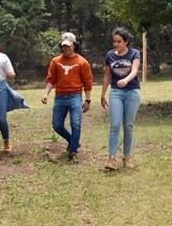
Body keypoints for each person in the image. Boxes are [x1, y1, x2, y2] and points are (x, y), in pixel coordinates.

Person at [41, 32, 93, 162]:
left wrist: (87, 100)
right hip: (60, 96)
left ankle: (73, 151)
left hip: (75, 95)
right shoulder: (56, 61)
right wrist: (46, 94)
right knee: (57, 125)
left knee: (76, 123)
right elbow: (51, 79)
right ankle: (72, 141)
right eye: (64, 46)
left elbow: (87, 82)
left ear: (74, 45)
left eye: (68, 46)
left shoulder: (82, 62)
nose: (66, 49)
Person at [100, 27, 142, 170]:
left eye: (119, 41)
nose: (116, 44)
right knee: (115, 125)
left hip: (132, 92)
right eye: (114, 42)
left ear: (126, 42)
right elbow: (107, 75)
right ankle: (111, 159)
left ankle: (127, 157)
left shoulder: (134, 53)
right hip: (116, 92)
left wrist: (126, 79)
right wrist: (103, 94)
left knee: (128, 125)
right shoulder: (110, 55)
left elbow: (135, 70)